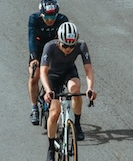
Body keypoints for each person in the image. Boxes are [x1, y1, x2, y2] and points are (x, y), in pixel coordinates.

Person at [40, 22, 96, 161]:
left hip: (68, 73)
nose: (68, 49)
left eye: (72, 46)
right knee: (54, 112)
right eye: (65, 45)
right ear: (59, 40)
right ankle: (51, 147)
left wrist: (90, 88)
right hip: (52, 77)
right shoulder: (50, 47)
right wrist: (47, 91)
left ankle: (76, 124)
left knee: (76, 90)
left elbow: (88, 70)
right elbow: (43, 71)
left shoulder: (81, 46)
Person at [28, 0, 69, 126]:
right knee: (34, 76)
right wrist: (34, 58)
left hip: (54, 50)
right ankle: (34, 108)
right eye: (47, 17)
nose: (50, 21)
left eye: (53, 17)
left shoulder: (62, 20)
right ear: (41, 14)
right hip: (39, 50)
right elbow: (31, 40)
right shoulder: (34, 19)